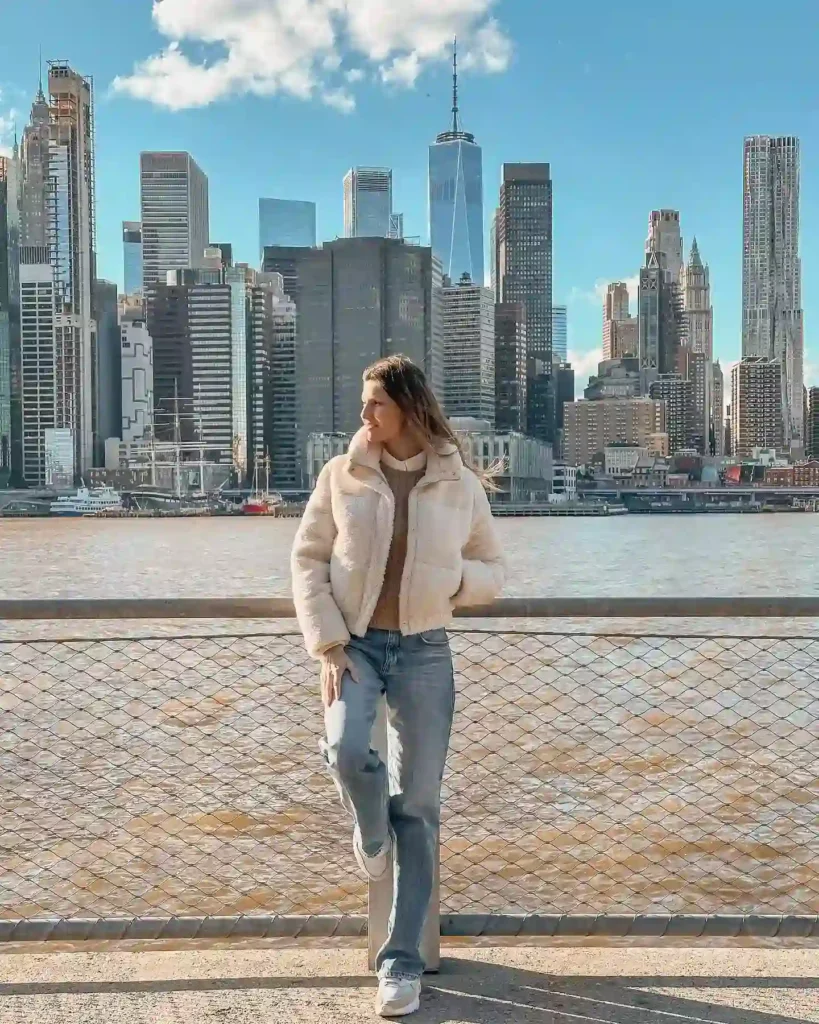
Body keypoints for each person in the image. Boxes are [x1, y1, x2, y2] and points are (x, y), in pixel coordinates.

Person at [291, 355, 505, 1017]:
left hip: (423, 654)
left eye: (374, 405)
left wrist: (453, 586)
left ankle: (401, 964)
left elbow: (492, 568)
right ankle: (368, 833)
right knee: (347, 751)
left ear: (408, 408)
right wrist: (328, 642)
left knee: (419, 808)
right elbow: (307, 559)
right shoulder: (343, 474)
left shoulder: (458, 484)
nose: (363, 417)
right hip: (355, 648)